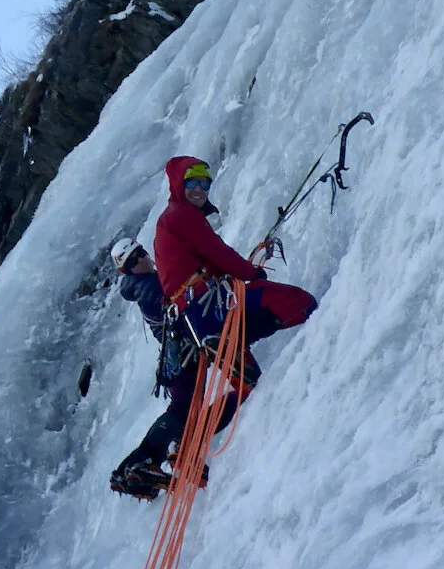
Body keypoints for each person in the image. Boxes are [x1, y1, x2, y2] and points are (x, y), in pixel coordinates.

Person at [108, 238, 239, 499]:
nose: (142, 259)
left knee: (186, 407)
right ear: (128, 270)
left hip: (179, 356)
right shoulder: (147, 287)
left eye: (141, 253)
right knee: (182, 409)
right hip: (183, 354)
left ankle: (155, 460)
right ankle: (141, 464)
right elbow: (176, 306)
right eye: (134, 261)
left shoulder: (144, 283)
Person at [153, 156, 317, 355]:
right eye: (192, 182)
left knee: (248, 382)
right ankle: (238, 340)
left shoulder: (171, 218)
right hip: (207, 306)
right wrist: (252, 273)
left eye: (204, 184)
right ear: (179, 185)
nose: (199, 189)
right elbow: (217, 252)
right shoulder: (182, 215)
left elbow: (205, 261)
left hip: (193, 315)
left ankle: (233, 343)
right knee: (301, 302)